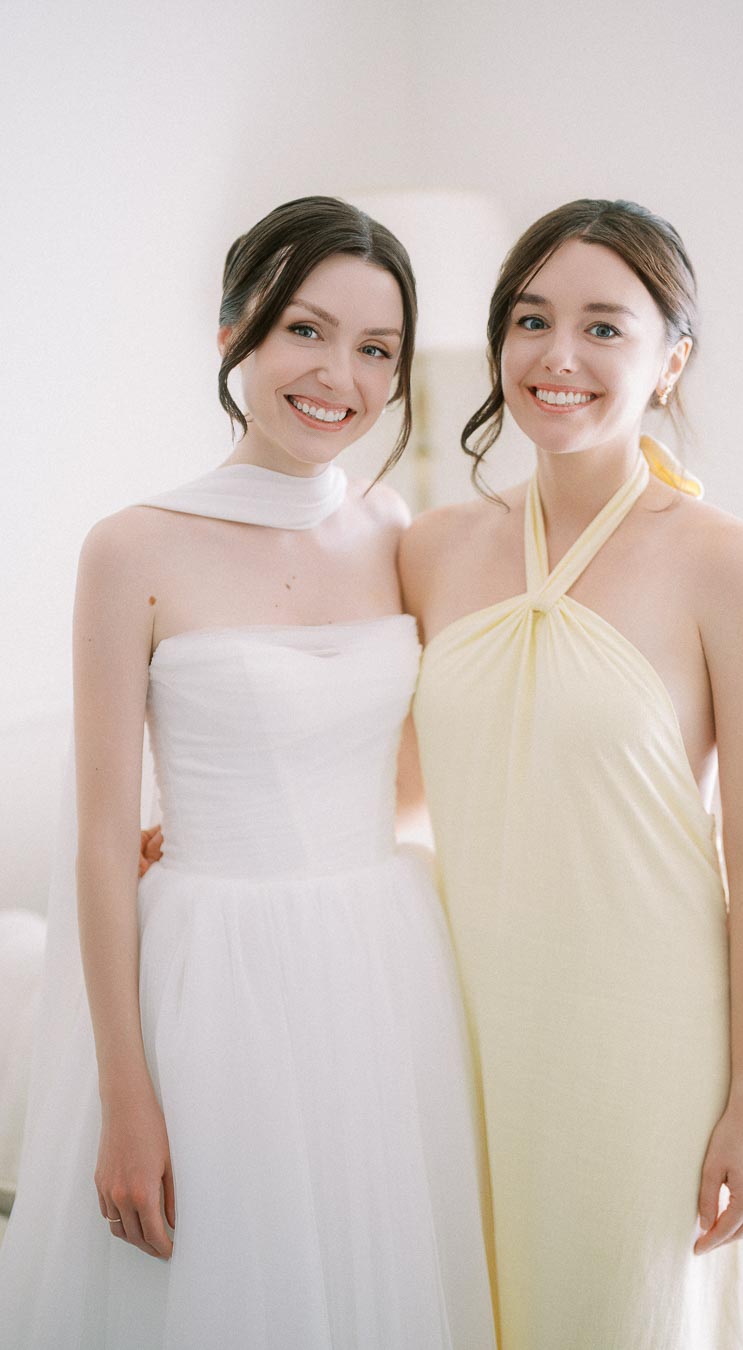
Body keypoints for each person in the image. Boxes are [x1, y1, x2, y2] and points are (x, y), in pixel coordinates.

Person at [0, 197, 496, 1350]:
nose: (339, 375)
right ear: (234, 332)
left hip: (381, 962)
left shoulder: (392, 526)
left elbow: (405, 766)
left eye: (376, 349)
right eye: (305, 330)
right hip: (210, 979)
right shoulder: (133, 546)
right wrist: (126, 1098)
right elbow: (98, 841)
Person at [403, 199, 743, 1349]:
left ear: (671, 361)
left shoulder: (732, 565)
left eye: (604, 327)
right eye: (530, 320)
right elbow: (399, 784)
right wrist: (211, 831)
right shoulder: (431, 548)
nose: (558, 355)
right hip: (464, 1028)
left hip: (643, 1047)